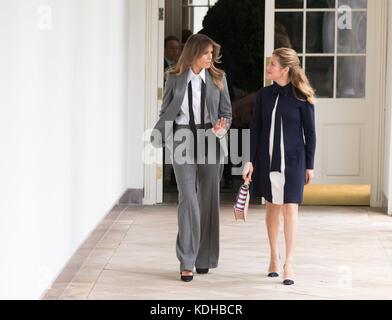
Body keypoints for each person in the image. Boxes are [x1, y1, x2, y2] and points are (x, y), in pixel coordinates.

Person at [151, 34, 232, 282]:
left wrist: (222, 128)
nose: (211, 57)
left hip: (210, 136)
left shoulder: (218, 78)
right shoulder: (174, 78)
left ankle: (204, 258)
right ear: (194, 53)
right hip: (182, 137)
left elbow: (227, 113)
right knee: (188, 198)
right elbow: (166, 109)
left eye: (212, 53)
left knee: (208, 199)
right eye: (206, 53)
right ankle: (187, 260)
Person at [242, 48, 316, 286]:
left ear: (285, 69)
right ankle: (274, 255)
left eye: (272, 64)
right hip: (267, 161)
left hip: (295, 162)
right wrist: (250, 160)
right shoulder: (263, 95)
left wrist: (310, 165)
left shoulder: (302, 96)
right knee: (273, 207)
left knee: (290, 209)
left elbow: (311, 134)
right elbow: (255, 129)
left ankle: (290, 263)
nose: (268, 68)